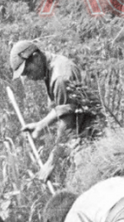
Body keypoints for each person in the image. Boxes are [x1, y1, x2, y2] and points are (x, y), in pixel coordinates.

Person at [11, 40, 102, 182]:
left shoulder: (60, 77)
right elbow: (63, 106)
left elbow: (67, 122)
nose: (29, 77)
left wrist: (50, 163)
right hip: (84, 133)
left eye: (28, 71)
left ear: (36, 57)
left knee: (81, 185)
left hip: (95, 137)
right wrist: (42, 124)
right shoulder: (51, 67)